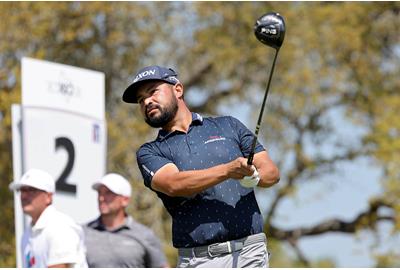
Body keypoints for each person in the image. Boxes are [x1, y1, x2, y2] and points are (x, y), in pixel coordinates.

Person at [122, 65, 280, 268]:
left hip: (249, 253)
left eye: (152, 92)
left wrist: (255, 176)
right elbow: (174, 184)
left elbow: (271, 173)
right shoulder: (150, 152)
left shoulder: (228, 125)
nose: (146, 101)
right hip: (198, 260)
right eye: (140, 100)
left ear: (178, 89)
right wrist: (228, 170)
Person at [83, 173, 169, 268]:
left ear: (125, 200)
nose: (101, 198)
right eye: (100, 192)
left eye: (108, 193)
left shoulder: (145, 235)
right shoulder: (83, 232)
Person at [9, 168, 88, 268]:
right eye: (22, 190)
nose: (24, 196)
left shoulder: (60, 227)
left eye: (32, 190)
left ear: (48, 197)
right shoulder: (27, 234)